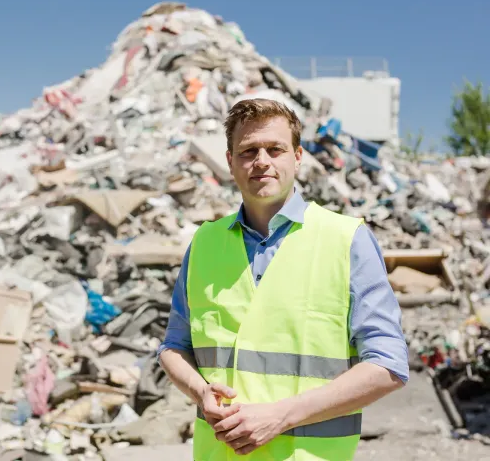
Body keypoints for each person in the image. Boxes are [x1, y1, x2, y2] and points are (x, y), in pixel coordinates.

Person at [157, 98, 408, 460]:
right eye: (248, 151)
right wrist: (200, 391)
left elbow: (388, 364)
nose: (262, 161)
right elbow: (173, 348)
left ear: (298, 157)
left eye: (275, 149)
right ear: (230, 162)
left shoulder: (346, 239)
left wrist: (280, 416)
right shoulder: (204, 243)